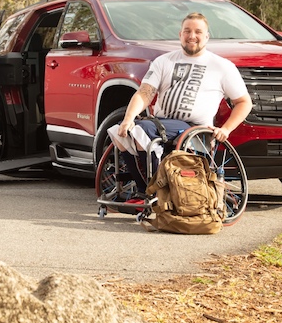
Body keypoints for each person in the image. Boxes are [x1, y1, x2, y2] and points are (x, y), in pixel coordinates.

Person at [107, 12, 253, 196]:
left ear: (207, 36)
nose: (192, 36)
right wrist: (128, 119)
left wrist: (226, 129)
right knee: (121, 132)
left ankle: (156, 190)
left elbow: (244, 102)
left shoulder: (222, 66)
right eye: (187, 31)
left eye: (198, 32)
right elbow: (144, 93)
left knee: (141, 130)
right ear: (180, 35)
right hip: (160, 123)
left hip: (194, 130)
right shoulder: (164, 61)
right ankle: (146, 189)